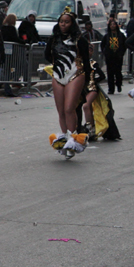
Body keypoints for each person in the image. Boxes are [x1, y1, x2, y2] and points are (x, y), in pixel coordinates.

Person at [45, 11, 91, 158]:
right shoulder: (54, 39)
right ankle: (65, 138)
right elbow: (47, 54)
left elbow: (86, 60)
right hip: (58, 75)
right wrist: (56, 64)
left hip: (75, 74)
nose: (63, 24)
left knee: (69, 108)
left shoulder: (79, 40)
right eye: (61, 21)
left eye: (67, 22)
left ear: (72, 24)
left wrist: (88, 81)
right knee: (61, 111)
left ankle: (73, 139)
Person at [80, 43, 120, 141]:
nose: (88, 52)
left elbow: (102, 76)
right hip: (81, 90)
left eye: (90, 50)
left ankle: (90, 129)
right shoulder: (78, 63)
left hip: (92, 89)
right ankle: (87, 128)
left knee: (86, 105)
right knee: (84, 107)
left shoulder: (93, 63)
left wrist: (93, 81)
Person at [100, 17, 126, 94]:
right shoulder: (107, 35)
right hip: (109, 57)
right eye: (111, 25)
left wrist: (121, 53)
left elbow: (124, 45)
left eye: (114, 24)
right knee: (110, 72)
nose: (112, 26)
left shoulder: (121, 35)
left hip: (118, 56)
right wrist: (105, 53)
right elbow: (103, 45)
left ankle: (118, 84)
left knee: (118, 72)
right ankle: (111, 88)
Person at [0, 13, 23, 97]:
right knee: (10, 69)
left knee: (6, 69)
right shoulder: (12, 29)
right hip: (10, 52)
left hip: (3, 51)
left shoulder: (2, 28)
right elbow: (15, 39)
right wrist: (24, 42)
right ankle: (7, 89)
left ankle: (4, 85)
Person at [125, 10, 134, 75]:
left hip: (132, 41)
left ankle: (132, 69)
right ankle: (132, 69)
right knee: (133, 56)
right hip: (133, 42)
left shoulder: (132, 21)